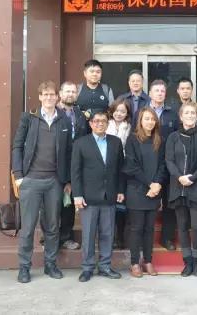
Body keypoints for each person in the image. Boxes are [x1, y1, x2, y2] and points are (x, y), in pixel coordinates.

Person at [11, 81, 73, 284]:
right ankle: (24, 267)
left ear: (57, 97)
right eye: (45, 94)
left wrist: (67, 180)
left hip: (54, 182)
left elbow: (68, 152)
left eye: (52, 94)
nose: (49, 98)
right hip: (31, 180)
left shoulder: (64, 120)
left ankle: (50, 264)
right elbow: (17, 146)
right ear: (39, 97)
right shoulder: (29, 118)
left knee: (53, 227)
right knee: (28, 228)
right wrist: (19, 175)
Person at [71, 111, 125, 282]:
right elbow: (75, 172)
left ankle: (105, 266)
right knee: (88, 235)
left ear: (108, 123)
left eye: (103, 121)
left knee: (107, 234)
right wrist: (77, 195)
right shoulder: (80, 143)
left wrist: (120, 190)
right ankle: (87, 268)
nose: (100, 124)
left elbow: (120, 169)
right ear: (91, 124)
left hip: (109, 195)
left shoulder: (115, 142)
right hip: (88, 197)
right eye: (96, 121)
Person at [166, 102, 197, 276]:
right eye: (186, 113)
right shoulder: (173, 137)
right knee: (182, 227)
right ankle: (187, 262)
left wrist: (192, 178)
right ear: (181, 116)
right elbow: (169, 160)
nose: (190, 115)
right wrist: (180, 177)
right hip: (178, 186)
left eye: (193, 113)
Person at [122, 107, 166, 278]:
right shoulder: (132, 139)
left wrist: (157, 184)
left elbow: (163, 165)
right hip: (137, 190)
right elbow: (131, 166)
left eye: (152, 119)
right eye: (146, 118)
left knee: (149, 229)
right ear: (140, 121)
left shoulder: (159, 140)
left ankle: (148, 261)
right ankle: (134, 263)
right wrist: (150, 184)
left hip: (154, 191)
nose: (150, 122)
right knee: (136, 228)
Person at [55, 81, 89, 251]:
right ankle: (49, 238)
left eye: (73, 91)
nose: (70, 94)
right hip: (53, 166)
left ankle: (66, 237)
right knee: (52, 205)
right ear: (60, 93)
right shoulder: (53, 113)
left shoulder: (80, 115)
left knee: (68, 205)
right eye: (67, 91)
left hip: (74, 166)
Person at [149, 79, 179, 251]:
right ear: (150, 93)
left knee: (169, 204)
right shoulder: (142, 112)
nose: (160, 93)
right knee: (148, 202)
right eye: (156, 90)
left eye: (162, 91)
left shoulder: (172, 114)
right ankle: (146, 239)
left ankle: (167, 238)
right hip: (149, 162)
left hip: (168, 163)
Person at [106, 98, 132, 249]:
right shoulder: (104, 124)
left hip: (124, 168)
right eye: (117, 110)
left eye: (123, 111)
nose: (119, 114)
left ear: (127, 113)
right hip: (107, 169)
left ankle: (119, 237)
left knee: (121, 204)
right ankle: (108, 237)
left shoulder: (130, 128)